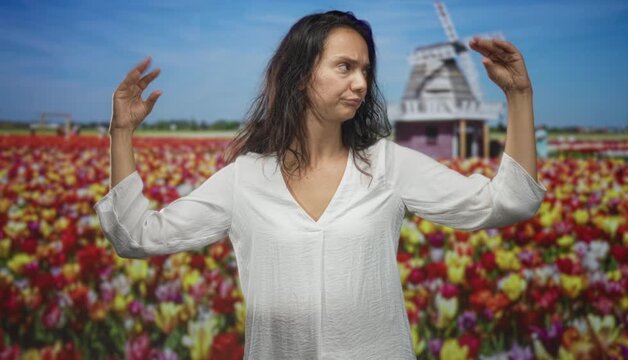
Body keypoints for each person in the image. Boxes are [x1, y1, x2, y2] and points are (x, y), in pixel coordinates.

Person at [94, 10, 547, 360]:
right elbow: (135, 236)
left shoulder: (388, 165)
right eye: (345, 67)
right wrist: (121, 133)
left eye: (366, 71)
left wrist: (519, 96)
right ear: (299, 75)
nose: (361, 84)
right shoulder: (246, 179)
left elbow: (509, 201)